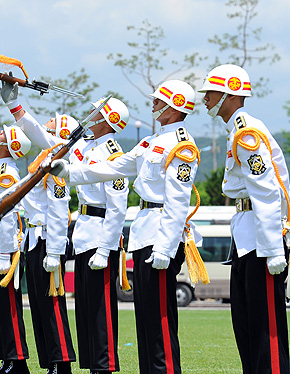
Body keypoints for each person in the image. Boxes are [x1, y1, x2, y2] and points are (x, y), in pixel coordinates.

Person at [51, 80, 199, 373]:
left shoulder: (182, 145)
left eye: (159, 101)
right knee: (145, 319)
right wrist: (72, 173)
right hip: (145, 232)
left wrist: (166, 248)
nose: (154, 104)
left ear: (174, 107)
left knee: (159, 321)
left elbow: (178, 202)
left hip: (161, 236)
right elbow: (116, 167)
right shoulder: (152, 141)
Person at [199, 64, 289, 373]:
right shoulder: (236, 131)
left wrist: (275, 249)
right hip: (246, 236)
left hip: (261, 241)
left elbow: (266, 192)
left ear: (229, 94)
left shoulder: (247, 133)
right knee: (247, 328)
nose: (205, 99)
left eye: (210, 92)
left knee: (267, 333)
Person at [0, 83, 79, 374]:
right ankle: (50, 363)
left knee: (52, 304)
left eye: (52, 123)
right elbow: (34, 129)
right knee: (39, 305)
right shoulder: (43, 158)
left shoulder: (57, 159)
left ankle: (61, 364)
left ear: (61, 134)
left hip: (48, 239)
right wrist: (15, 106)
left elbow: (59, 209)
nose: (46, 124)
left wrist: (56, 250)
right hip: (33, 238)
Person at [0, 125, 31, 374]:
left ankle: (18, 360)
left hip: (4, 246)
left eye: (2, 133)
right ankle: (7, 359)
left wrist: (4, 254)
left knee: (9, 307)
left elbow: (10, 216)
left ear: (8, 145)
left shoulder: (8, 172)